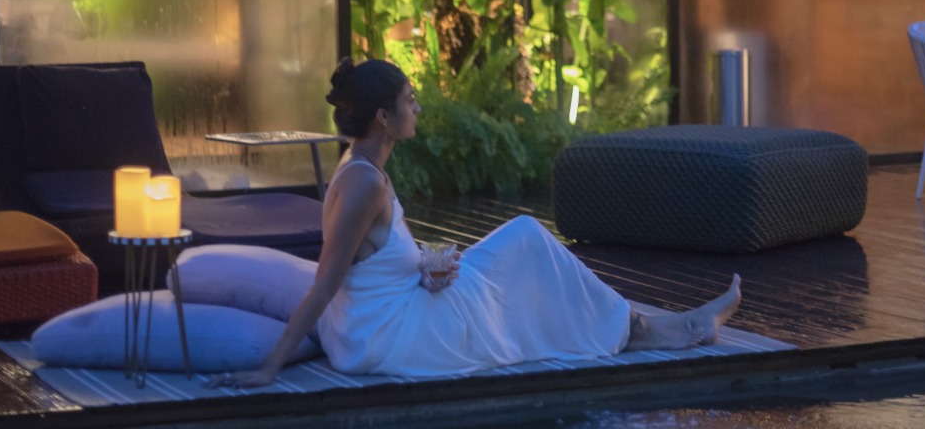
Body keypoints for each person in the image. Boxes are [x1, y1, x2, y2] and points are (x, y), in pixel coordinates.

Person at [209, 58, 741, 387]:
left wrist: (423, 268)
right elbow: (328, 279)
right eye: (409, 101)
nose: (417, 108)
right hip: (386, 338)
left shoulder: (363, 169)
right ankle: (652, 329)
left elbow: (367, 264)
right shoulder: (363, 183)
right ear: (382, 118)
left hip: (392, 315)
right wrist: (270, 366)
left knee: (520, 250)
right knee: (527, 246)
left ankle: (642, 328)